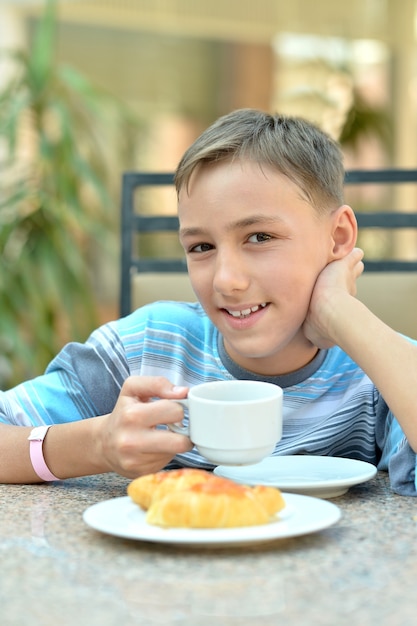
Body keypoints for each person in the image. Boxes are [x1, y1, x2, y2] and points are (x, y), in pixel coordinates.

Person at [1, 108, 416, 495]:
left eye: (260, 237)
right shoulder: (146, 350)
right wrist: (94, 445)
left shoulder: (382, 368)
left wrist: (340, 312)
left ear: (338, 237)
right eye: (201, 246)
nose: (226, 280)